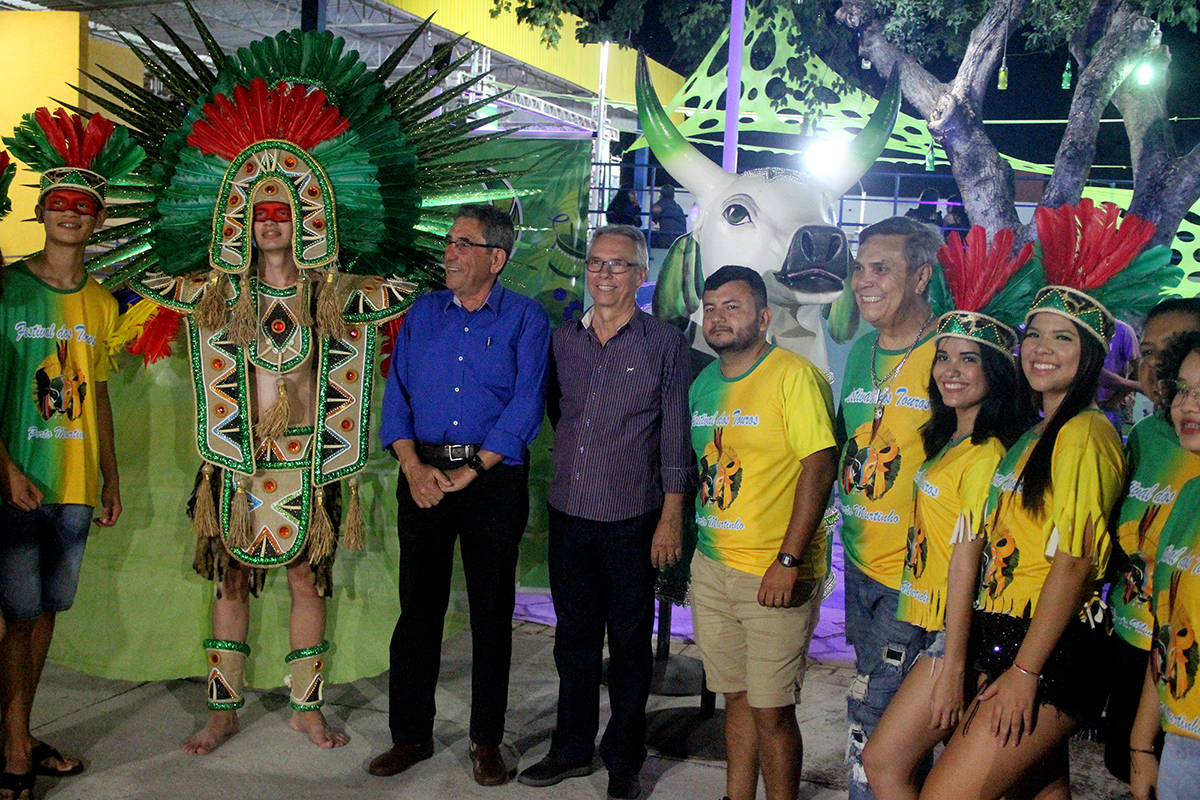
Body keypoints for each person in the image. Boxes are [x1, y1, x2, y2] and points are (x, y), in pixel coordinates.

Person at [920, 283, 1126, 800]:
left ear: (1091, 355)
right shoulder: (1037, 434)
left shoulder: (1085, 434)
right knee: (1040, 791)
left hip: (1051, 650)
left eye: (1062, 338)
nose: (1041, 349)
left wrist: (1026, 670)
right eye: (1034, 335)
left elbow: (1076, 563)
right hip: (1009, 635)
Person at [375, 204, 550, 785]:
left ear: (496, 259)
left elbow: (527, 403)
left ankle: (485, 741)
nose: (448, 252)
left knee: (491, 613)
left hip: (491, 482)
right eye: (449, 242)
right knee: (417, 611)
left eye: (463, 244)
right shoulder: (423, 314)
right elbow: (395, 393)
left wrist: (474, 469)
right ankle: (410, 737)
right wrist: (411, 466)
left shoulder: (526, 319)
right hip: (421, 477)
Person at [517, 225, 690, 800]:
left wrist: (670, 516)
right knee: (574, 640)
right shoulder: (564, 339)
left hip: (632, 518)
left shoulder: (664, 344)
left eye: (619, 265)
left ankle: (623, 758)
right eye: (596, 263)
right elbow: (555, 410)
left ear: (642, 275)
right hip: (569, 511)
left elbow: (674, 435)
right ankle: (569, 749)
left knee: (631, 643)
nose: (605, 274)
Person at [862, 225, 1032, 799]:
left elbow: (969, 561)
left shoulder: (986, 454)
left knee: (884, 762)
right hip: (928, 619)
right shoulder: (951, 441)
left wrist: (954, 663)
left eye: (969, 361)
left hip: (948, 634)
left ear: (996, 373)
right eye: (944, 358)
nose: (950, 371)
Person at [0, 121, 127, 797]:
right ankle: (15, 749)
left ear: (99, 219)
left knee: (46, 610)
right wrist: (6, 469)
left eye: (85, 204)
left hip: (74, 486)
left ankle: (18, 731)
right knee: (16, 615)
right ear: (41, 210)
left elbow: (98, 391)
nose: (71, 212)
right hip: (18, 480)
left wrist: (112, 474)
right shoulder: (6, 290)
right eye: (60, 201)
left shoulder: (103, 302)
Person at [688, 265, 837, 800]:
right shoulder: (704, 383)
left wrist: (790, 560)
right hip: (713, 566)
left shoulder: (792, 376)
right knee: (735, 698)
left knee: (772, 708)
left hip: (774, 571)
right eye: (711, 307)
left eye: (733, 306)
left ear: (765, 316)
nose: (720, 317)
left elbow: (819, 468)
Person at [837, 216, 941, 800]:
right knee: (886, 715)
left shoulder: (952, 352)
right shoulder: (858, 354)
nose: (863, 282)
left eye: (882, 269)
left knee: (876, 726)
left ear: (921, 275)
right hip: (860, 566)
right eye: (859, 269)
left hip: (917, 575)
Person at [1105, 299, 1200, 784]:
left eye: (1175, 348)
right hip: (1133, 641)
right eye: (1148, 351)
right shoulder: (1145, 436)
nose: (1156, 365)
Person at [1129, 330, 1200, 800]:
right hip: (1183, 739)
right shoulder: (1189, 496)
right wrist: (1141, 745)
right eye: (1185, 390)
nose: (1188, 406)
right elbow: (1167, 627)